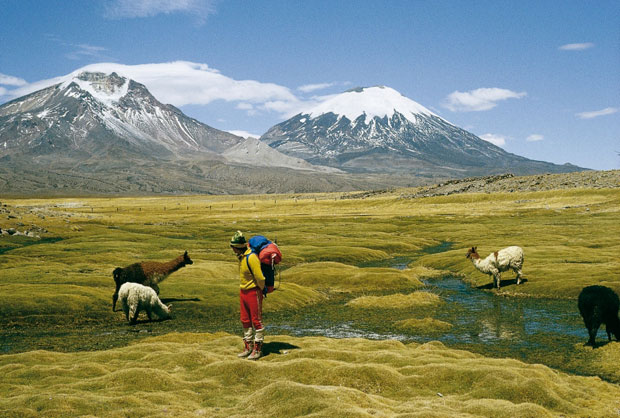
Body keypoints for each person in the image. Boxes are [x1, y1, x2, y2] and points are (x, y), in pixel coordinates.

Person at [230, 230, 266, 360]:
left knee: (256, 320)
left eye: (233, 247)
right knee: (245, 319)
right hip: (243, 291)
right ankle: (248, 347)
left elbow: (260, 277)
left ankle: (257, 349)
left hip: (253, 291)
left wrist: (261, 290)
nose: (232, 250)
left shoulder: (251, 258)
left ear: (238, 247)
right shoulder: (242, 257)